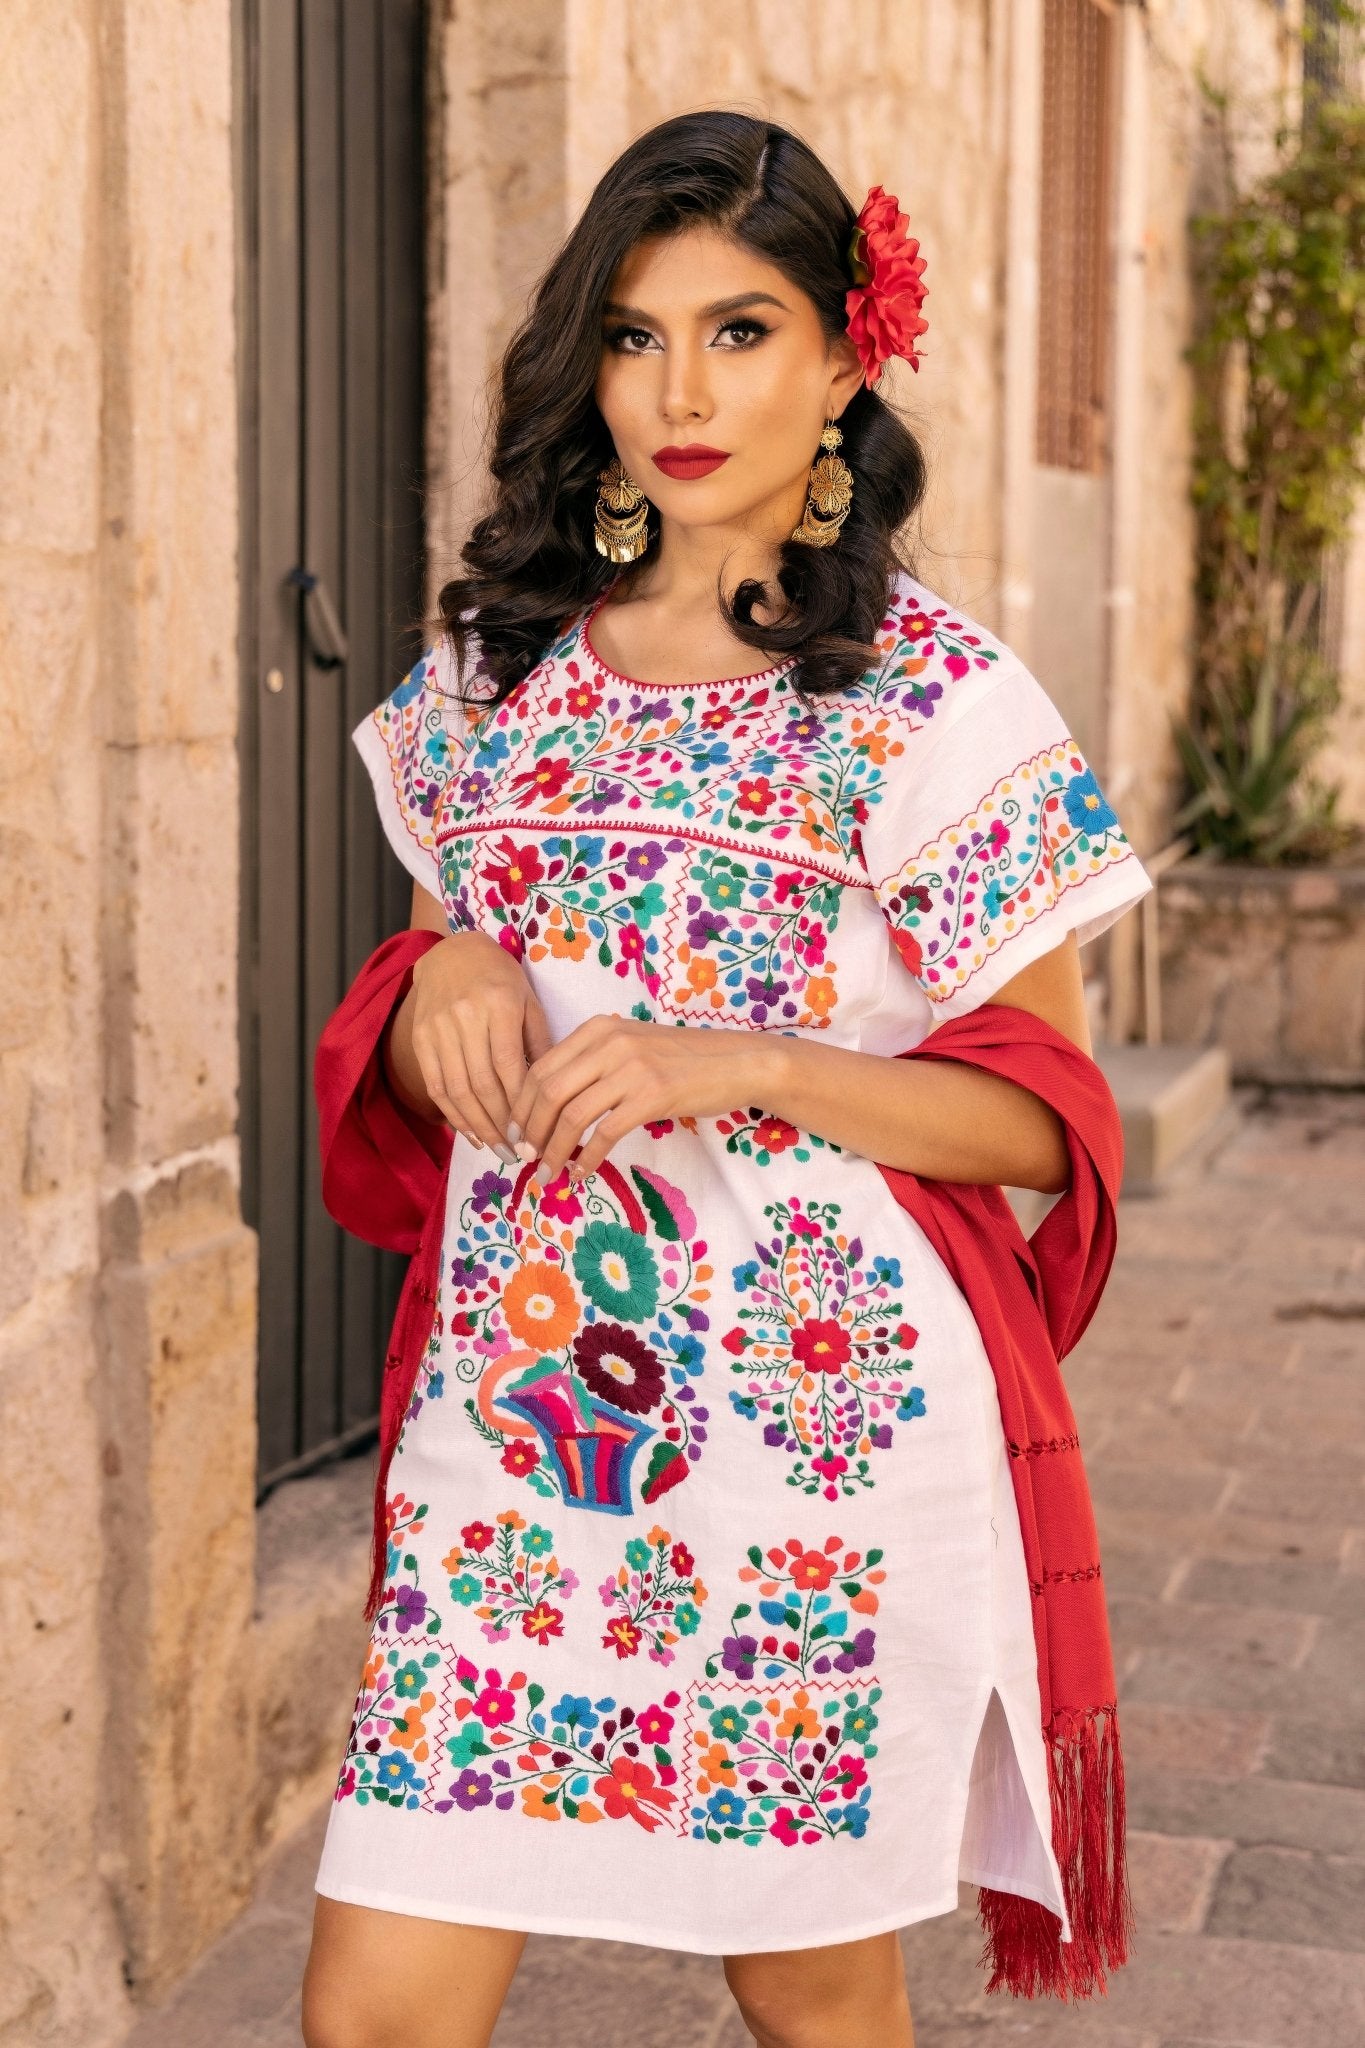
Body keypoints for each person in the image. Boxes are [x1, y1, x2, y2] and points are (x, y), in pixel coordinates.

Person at [302, 110, 1151, 2048]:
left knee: (815, 1999)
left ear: (843, 363)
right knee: (375, 2005)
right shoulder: (491, 679)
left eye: (738, 332)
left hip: (815, 1458)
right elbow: (447, 998)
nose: (678, 394)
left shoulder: (931, 699)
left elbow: (1044, 1116)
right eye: (632, 335)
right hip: (519, 1443)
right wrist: (438, 969)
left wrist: (751, 1063)